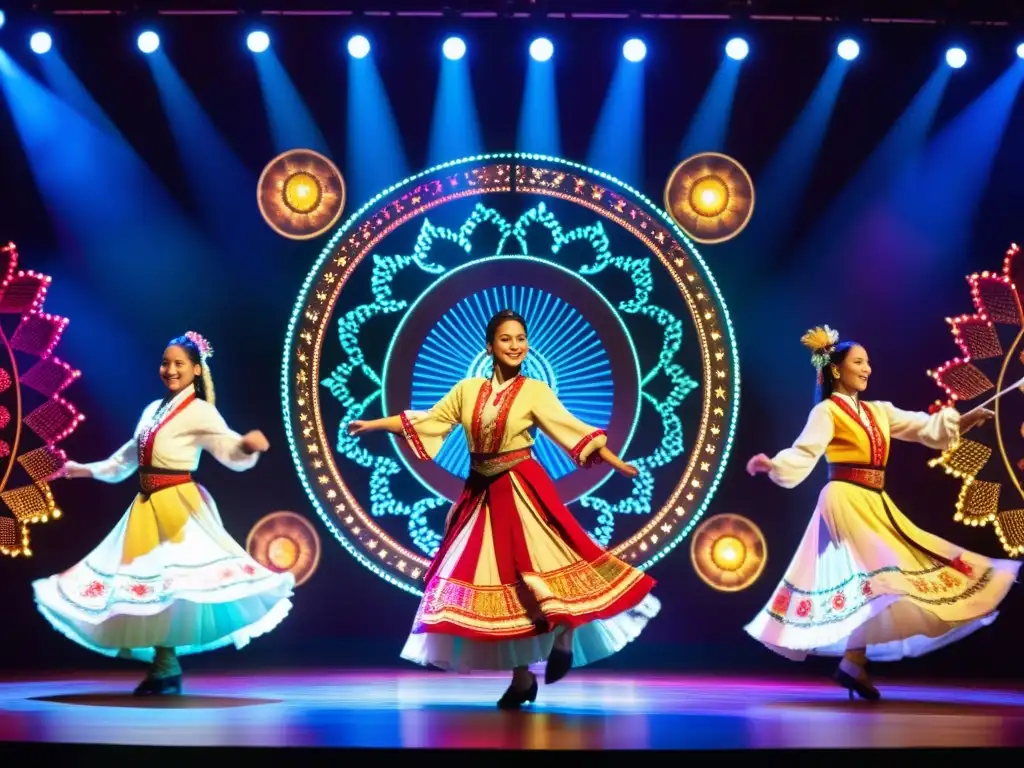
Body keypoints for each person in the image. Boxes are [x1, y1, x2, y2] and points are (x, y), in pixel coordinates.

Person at [347, 309, 659, 708]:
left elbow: (569, 427)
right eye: (506, 339)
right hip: (479, 491)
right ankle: (522, 677)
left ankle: (566, 632)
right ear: (490, 345)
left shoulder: (535, 391)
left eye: (521, 339)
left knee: (535, 570)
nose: (515, 346)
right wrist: (373, 425)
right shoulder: (467, 390)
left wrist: (615, 461)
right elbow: (430, 420)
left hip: (521, 487)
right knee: (499, 585)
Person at [744, 325, 1020, 700]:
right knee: (879, 577)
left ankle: (853, 661)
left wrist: (965, 419)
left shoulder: (879, 412)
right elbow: (804, 452)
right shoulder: (827, 411)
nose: (868, 368)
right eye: (859, 362)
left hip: (876, 501)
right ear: (837, 370)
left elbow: (923, 426)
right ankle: (852, 662)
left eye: (869, 362)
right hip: (844, 499)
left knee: (883, 577)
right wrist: (772, 464)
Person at [32, 332, 295, 695]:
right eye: (165, 363)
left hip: (179, 507)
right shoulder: (152, 410)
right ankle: (165, 664)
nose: (170, 370)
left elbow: (228, 447)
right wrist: (80, 468)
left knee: (171, 583)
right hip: (146, 505)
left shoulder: (200, 410)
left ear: (195, 370)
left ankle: (165, 664)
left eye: (179, 364)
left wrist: (246, 447)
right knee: (150, 584)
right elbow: (124, 460)